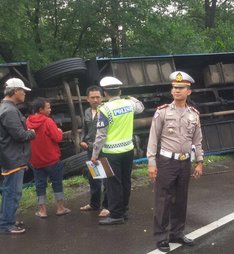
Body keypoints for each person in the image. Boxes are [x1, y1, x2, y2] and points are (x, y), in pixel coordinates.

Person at [147, 71, 204, 252]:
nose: (176, 90)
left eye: (181, 88)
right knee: (163, 200)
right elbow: (153, 138)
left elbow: (197, 140)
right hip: (166, 162)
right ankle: (161, 237)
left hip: (184, 162)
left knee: (181, 199)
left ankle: (177, 234)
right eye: (174, 87)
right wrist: (151, 162)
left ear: (189, 91)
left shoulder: (194, 114)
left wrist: (200, 162)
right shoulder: (162, 112)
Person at [91, 76, 144, 225]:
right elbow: (140, 107)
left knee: (114, 184)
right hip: (128, 150)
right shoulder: (129, 104)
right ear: (119, 90)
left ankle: (115, 215)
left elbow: (100, 135)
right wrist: (132, 98)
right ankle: (124, 210)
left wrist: (95, 155)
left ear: (105, 93)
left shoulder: (104, 109)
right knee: (126, 181)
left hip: (111, 153)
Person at [0, 78, 36, 234]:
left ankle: (7, 220)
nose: (24, 93)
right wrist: (31, 133)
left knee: (8, 191)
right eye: (23, 90)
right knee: (13, 193)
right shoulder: (9, 111)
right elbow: (19, 135)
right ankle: (7, 225)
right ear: (15, 91)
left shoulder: (0, 108)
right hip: (13, 158)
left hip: (8, 156)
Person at [26, 97, 70, 217]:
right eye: (48, 107)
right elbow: (57, 138)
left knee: (40, 185)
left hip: (36, 161)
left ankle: (42, 211)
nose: (50, 109)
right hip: (51, 159)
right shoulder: (47, 121)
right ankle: (60, 208)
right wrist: (59, 131)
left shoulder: (27, 122)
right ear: (41, 109)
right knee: (57, 183)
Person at [79, 86, 109, 217]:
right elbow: (84, 129)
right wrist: (82, 140)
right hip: (90, 149)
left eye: (98, 97)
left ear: (102, 97)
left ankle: (107, 206)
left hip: (105, 149)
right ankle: (94, 204)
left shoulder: (106, 110)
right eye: (93, 97)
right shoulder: (86, 112)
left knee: (107, 178)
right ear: (87, 99)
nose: (96, 100)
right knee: (94, 178)